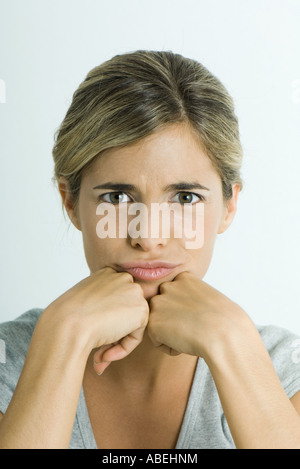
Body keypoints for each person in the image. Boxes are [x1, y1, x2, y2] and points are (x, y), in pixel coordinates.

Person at [0, 50, 300, 449]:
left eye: (185, 198)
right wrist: (64, 336)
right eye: (118, 197)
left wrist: (233, 344)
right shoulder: (10, 361)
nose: (149, 236)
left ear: (229, 206)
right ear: (69, 201)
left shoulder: (284, 370)